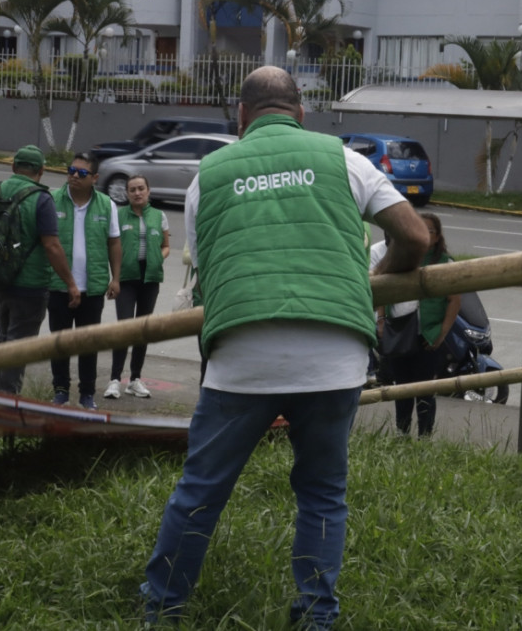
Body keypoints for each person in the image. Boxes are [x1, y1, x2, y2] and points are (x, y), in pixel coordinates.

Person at [141, 66, 429, 628]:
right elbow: (415, 236)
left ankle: (162, 609)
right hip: (334, 354)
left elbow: (203, 273)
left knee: (200, 491)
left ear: (243, 118)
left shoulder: (209, 175)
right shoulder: (343, 159)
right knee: (322, 493)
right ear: (301, 113)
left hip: (242, 356)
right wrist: (378, 281)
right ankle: (315, 617)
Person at [0, 145, 80, 393]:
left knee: (4, 333)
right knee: (19, 345)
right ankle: (8, 402)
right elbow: (52, 246)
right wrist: (71, 284)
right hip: (30, 285)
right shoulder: (42, 199)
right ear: (41, 171)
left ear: (13, 167)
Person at [377, 212, 461, 437]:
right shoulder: (399, 258)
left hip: (428, 335)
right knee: (401, 388)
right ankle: (401, 435)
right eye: (419, 229)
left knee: (425, 390)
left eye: (429, 231)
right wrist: (382, 321)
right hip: (399, 331)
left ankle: (424, 438)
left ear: (436, 237)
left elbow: (454, 300)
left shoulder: (445, 263)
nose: (423, 234)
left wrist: (442, 333)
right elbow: (383, 291)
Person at [48, 153, 121, 410]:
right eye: (70, 170)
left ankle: (87, 393)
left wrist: (116, 278)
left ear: (94, 178)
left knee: (88, 343)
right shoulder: (52, 200)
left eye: (81, 173)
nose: (74, 176)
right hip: (58, 287)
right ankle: (60, 390)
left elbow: (114, 242)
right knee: (59, 342)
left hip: (93, 287)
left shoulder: (106, 205)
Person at [104, 175, 170, 400]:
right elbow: (111, 247)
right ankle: (114, 380)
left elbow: (166, 245)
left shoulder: (159, 216)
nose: (137, 193)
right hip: (126, 279)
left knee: (143, 330)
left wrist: (159, 258)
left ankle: (134, 380)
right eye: (132, 190)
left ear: (148, 191)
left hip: (150, 278)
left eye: (141, 188)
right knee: (124, 328)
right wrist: (114, 278)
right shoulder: (119, 215)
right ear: (127, 194)